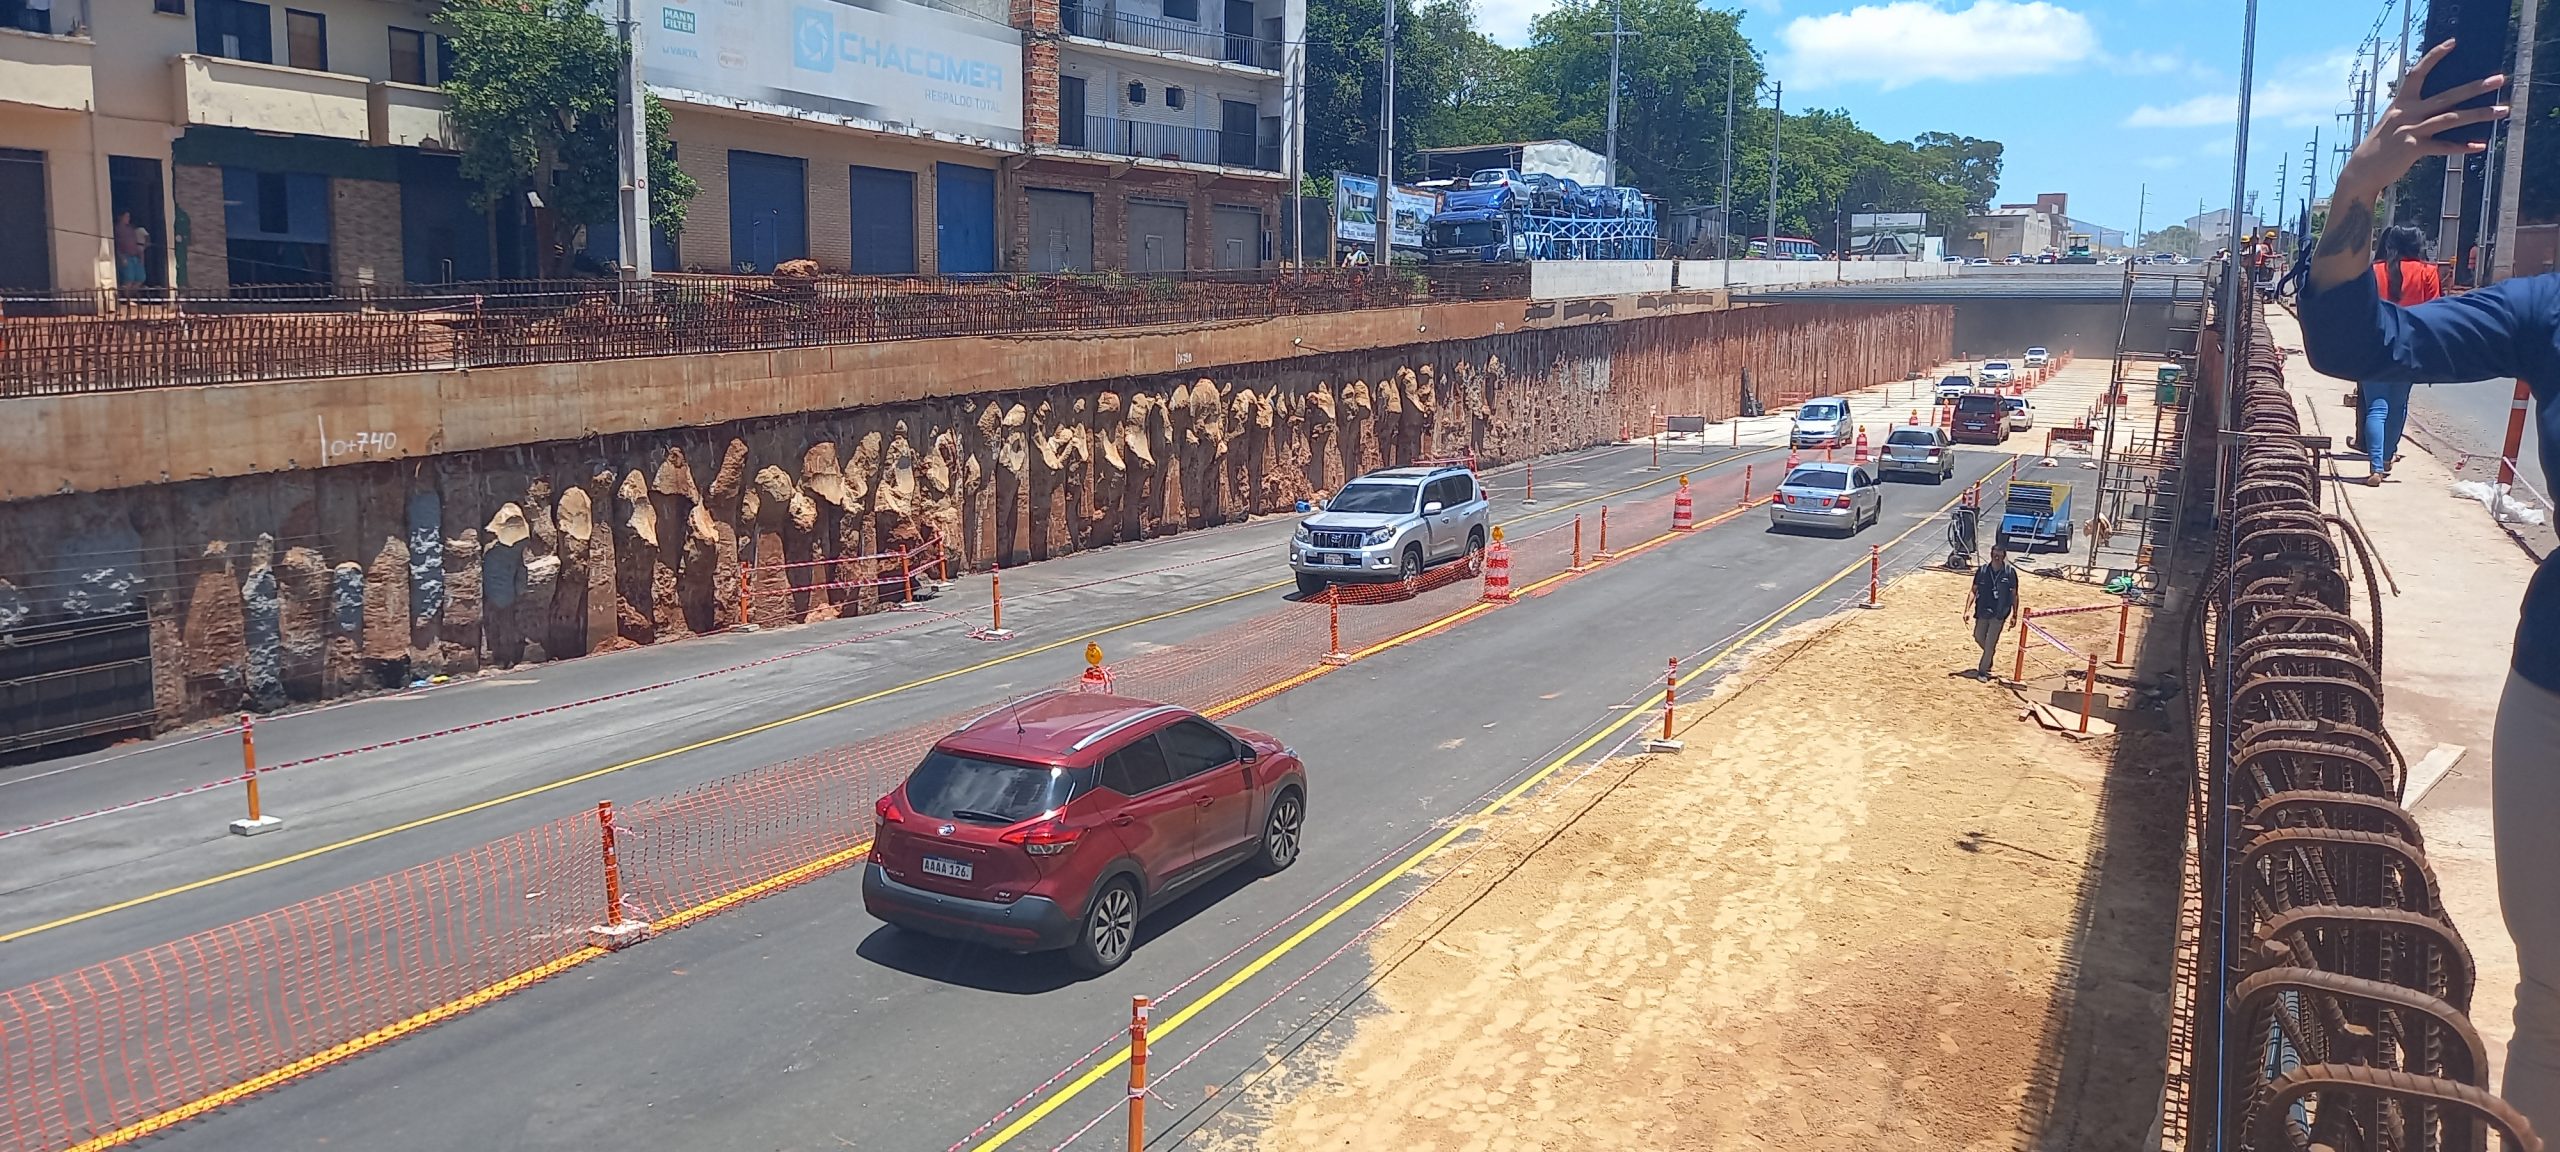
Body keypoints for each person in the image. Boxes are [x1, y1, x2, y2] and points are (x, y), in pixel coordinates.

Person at [2296, 39, 2560, 1134]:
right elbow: (2359, 340)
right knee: (2550, 1004)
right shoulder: (2545, 310)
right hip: (2555, 682)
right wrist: (2354, 196)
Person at [2356, 224, 2445, 483]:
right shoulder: (2428, 273)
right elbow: (2435, 312)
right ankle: (2386, 457)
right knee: (2398, 405)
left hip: (2374, 346)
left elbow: (2361, 309)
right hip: (2410, 346)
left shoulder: (2373, 272)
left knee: (2376, 406)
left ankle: (2375, 465)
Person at [1961, 546, 2018, 680]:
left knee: (1990, 643)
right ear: (1991, 555)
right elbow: (1973, 590)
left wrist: (2015, 614)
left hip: (1999, 613)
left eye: (1999, 555)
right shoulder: (1982, 571)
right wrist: (1967, 610)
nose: (1997, 558)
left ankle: (1982, 671)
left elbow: (2014, 595)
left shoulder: (2010, 572)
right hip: (1983, 611)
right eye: (1994, 555)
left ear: (2004, 556)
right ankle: (1989, 654)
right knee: (1978, 636)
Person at [113, 210, 145, 290]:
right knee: (128, 279)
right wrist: (121, 257)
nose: (128, 218)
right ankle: (126, 298)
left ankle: (131, 296)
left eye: (129, 217)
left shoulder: (131, 228)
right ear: (120, 217)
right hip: (125, 256)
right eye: (126, 216)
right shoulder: (116, 229)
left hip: (135, 256)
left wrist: (141, 255)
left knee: (140, 278)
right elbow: (116, 244)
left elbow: (135, 242)